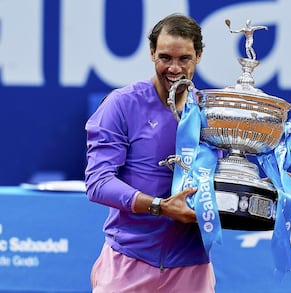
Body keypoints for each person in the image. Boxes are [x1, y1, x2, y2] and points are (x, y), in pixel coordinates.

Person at [85, 13, 216, 292]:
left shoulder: (210, 113)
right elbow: (98, 183)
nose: (174, 68)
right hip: (128, 261)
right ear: (151, 53)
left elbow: (222, 182)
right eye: (165, 57)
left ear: (199, 56)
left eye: (184, 59)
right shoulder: (121, 104)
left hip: (192, 267)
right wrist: (160, 206)